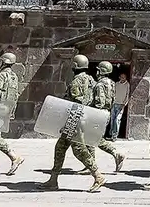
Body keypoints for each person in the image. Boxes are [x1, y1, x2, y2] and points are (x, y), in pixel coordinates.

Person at [40, 54, 105, 192]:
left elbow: (76, 103)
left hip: (75, 120)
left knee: (79, 150)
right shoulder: (91, 79)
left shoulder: (76, 81)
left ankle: (98, 175)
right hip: (84, 118)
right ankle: (53, 180)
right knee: (60, 148)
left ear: (75, 66)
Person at [91, 61, 126, 173]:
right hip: (107, 112)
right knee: (91, 139)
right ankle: (91, 164)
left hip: (100, 113)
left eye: (98, 70)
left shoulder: (101, 84)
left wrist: (94, 111)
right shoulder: (111, 83)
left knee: (94, 138)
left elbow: (99, 102)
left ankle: (115, 153)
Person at [109, 71, 130, 140]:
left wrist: (124, 104)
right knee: (112, 119)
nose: (122, 78)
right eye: (121, 77)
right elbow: (113, 93)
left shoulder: (127, 85)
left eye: (124, 77)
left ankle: (115, 136)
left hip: (121, 105)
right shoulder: (116, 84)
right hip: (114, 104)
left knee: (117, 120)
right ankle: (111, 134)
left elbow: (127, 95)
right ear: (119, 77)